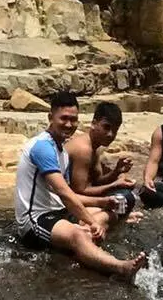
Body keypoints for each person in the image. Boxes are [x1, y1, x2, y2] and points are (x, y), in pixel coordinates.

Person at [14, 91, 148, 279]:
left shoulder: (60, 149)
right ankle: (121, 267)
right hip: (35, 219)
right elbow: (65, 193)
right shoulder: (42, 147)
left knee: (107, 213)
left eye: (73, 120)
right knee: (80, 233)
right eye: (64, 119)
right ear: (50, 117)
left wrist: (100, 207)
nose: (69, 124)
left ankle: (84, 244)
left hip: (58, 212)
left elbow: (69, 195)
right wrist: (91, 222)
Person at [66, 101, 141, 221]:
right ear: (94, 123)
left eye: (115, 130)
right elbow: (80, 191)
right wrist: (114, 184)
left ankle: (115, 217)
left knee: (126, 194)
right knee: (125, 197)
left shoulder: (94, 147)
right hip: (71, 204)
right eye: (106, 127)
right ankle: (113, 219)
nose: (110, 134)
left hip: (84, 197)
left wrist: (116, 172)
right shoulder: (83, 150)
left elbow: (97, 181)